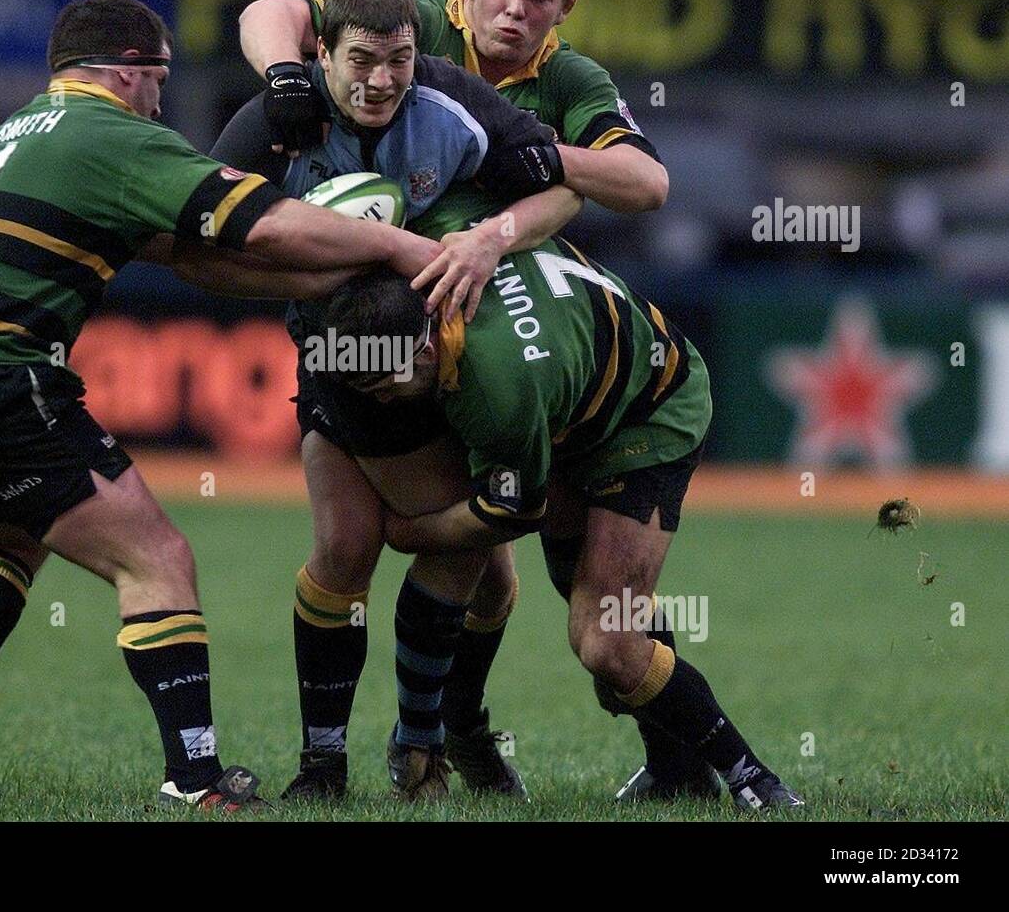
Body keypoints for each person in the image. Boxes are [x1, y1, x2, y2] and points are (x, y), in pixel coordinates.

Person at [0, 0, 441, 811]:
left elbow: (192, 254)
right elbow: (264, 224)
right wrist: (399, 245)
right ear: (126, 73)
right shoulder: (113, 134)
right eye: (158, 79)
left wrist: (340, 274)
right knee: (159, 560)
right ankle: (197, 778)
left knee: (18, 530)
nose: (161, 100)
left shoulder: (21, 128)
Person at [238, 0, 705, 800]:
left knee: (537, 573)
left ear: (566, 5)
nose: (515, 8)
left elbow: (646, 183)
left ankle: (480, 736)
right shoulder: (407, 28)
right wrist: (286, 75)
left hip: (495, 348)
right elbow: (269, 10)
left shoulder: (568, 77)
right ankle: (368, 759)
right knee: (362, 548)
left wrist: (527, 164)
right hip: (370, 337)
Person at [210, 0, 584, 799]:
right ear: (324, 53)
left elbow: (565, 184)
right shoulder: (275, 123)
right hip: (344, 358)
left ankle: (451, 736)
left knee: (489, 573)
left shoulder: (450, 104)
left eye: (400, 59)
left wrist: (496, 235)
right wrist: (318, 272)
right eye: (362, 61)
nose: (382, 80)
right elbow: (198, 250)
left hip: (451, 357)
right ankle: (336, 765)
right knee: (358, 548)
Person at [318, 245, 805, 811]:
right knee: (583, 588)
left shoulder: (495, 388)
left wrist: (409, 533)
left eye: (382, 388)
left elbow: (512, 510)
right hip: (582, 399)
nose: (381, 404)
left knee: (606, 641)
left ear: (424, 350)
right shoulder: (454, 249)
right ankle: (677, 772)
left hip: (649, 415)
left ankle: (756, 780)